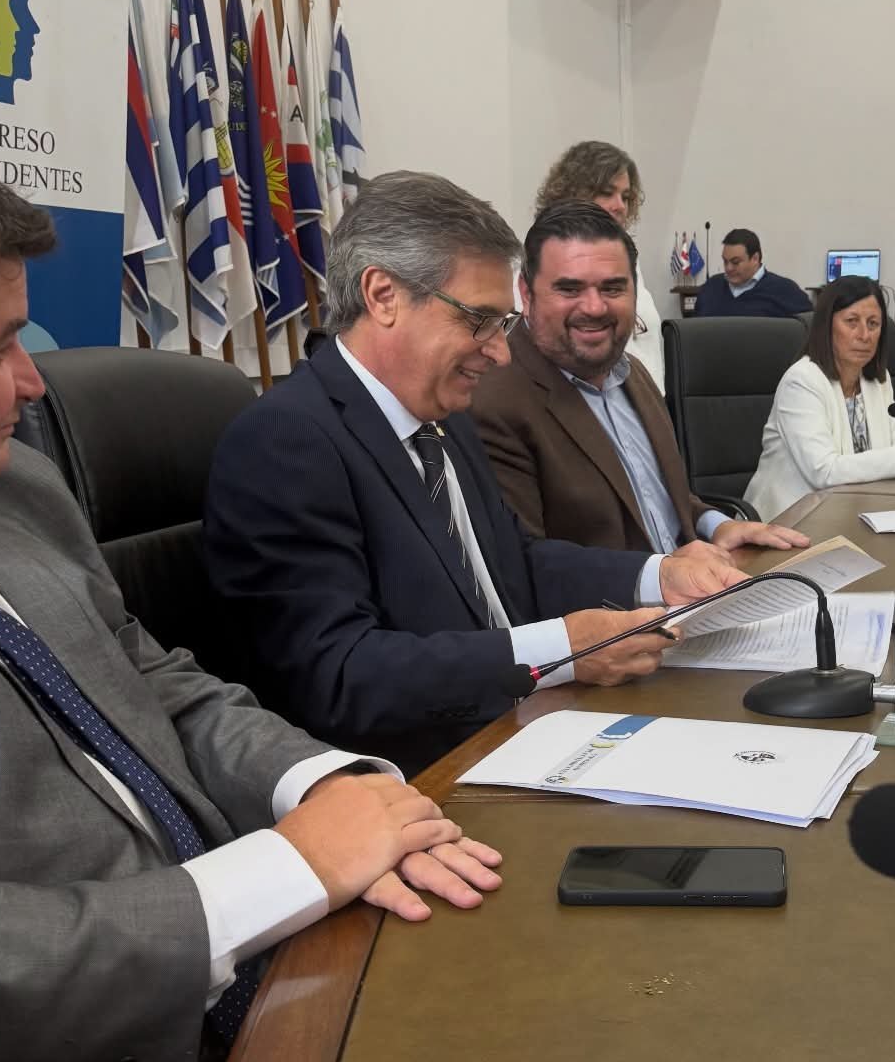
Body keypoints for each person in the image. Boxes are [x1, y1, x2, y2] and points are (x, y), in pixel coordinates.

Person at [0, 176, 504, 1062]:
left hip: (269, 984)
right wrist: (282, 873)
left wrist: (329, 783)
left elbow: (156, 681)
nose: (31, 383)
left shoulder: (18, 494)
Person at [205, 172, 746, 777]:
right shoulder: (288, 440)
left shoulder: (444, 419)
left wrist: (657, 575)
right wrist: (562, 651)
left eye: (503, 323)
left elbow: (514, 561)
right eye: (478, 320)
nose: (500, 351)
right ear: (383, 296)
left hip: (531, 733)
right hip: (423, 778)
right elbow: (339, 673)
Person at [471, 201, 809, 555]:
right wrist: (663, 573)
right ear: (526, 294)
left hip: (701, 575)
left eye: (613, 288)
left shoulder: (631, 372)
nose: (594, 307)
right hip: (635, 591)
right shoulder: (494, 401)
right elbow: (524, 562)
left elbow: (658, 500)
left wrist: (718, 525)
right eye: (569, 289)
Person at [745, 276, 895, 519]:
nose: (864, 335)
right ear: (826, 326)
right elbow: (824, 472)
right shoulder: (802, 381)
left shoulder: (877, 381)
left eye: (873, 324)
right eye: (852, 322)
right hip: (791, 521)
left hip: (859, 514)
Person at [533, 140, 664, 387]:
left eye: (626, 197)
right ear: (572, 192)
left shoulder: (629, 262)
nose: (620, 206)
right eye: (607, 193)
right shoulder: (542, 259)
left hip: (645, 401)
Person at [690, 228, 813, 318]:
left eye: (735, 262)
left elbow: (809, 330)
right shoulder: (711, 287)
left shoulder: (786, 291)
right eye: (725, 261)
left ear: (755, 258)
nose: (728, 268)